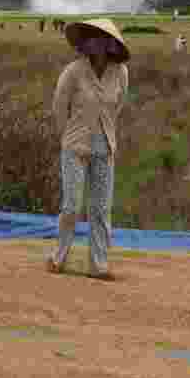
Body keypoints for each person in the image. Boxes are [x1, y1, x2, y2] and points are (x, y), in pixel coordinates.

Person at [49, 18, 130, 280]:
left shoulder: (120, 73)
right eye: (89, 37)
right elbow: (59, 108)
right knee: (71, 205)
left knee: (101, 208)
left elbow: (117, 107)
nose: (93, 42)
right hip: (74, 146)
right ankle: (58, 257)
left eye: (99, 37)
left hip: (105, 146)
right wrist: (69, 138)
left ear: (110, 43)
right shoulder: (73, 72)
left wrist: (104, 134)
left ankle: (99, 265)